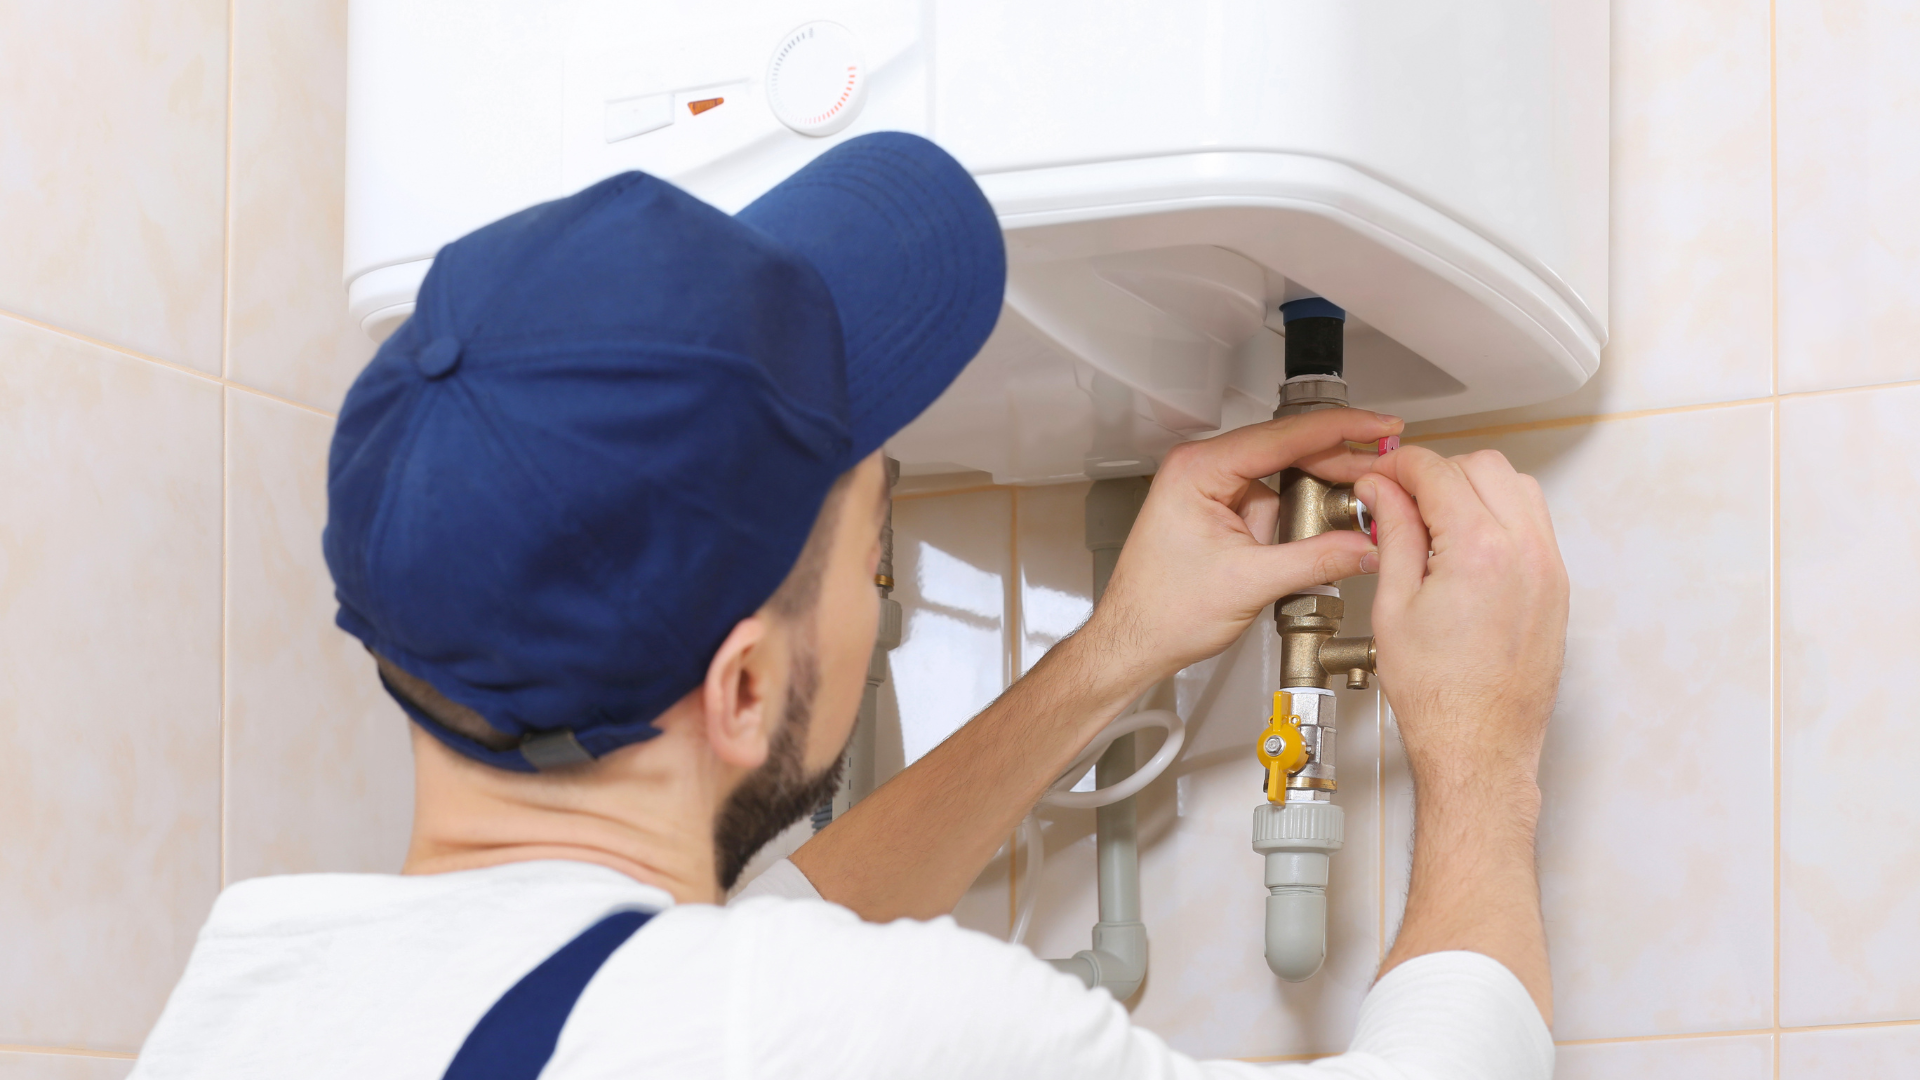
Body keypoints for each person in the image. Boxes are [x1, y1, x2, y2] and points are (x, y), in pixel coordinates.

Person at [130, 132, 1567, 1079]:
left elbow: (738, 943)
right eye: (876, 531)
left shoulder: (252, 1005)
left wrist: (1114, 654)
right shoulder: (850, 1034)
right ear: (744, 687)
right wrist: (1482, 749)